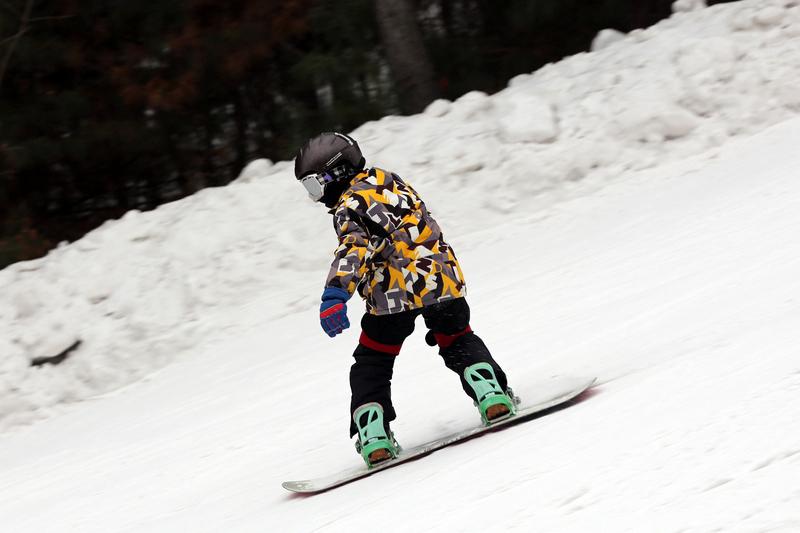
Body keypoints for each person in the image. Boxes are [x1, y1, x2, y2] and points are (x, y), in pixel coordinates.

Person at [293, 132, 516, 467]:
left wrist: (336, 293)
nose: (315, 197)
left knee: (373, 359)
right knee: (456, 337)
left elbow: (353, 248)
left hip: (391, 295)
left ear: (335, 174)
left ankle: (373, 432)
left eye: (313, 186)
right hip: (440, 281)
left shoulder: (348, 207)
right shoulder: (392, 182)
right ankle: (489, 390)